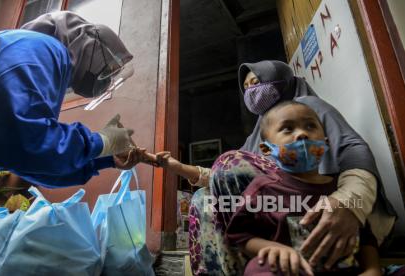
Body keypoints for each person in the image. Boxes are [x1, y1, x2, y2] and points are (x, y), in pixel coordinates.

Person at [0, 11, 150, 275]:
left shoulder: (40, 62)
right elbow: (26, 138)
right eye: (107, 69)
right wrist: (100, 142)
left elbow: (29, 161)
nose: (106, 79)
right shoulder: (41, 47)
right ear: (88, 44)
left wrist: (105, 157)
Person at [156, 60, 396, 275]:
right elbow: (226, 176)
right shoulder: (260, 134)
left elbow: (353, 150)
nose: (251, 91)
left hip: (328, 211)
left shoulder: (308, 107)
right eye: (247, 87)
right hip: (276, 230)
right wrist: (176, 166)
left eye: (257, 81)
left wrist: (348, 202)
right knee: (203, 199)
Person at [225, 101, 381, 276]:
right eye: (288, 128)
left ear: (326, 142)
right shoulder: (262, 190)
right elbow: (240, 235)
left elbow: (365, 235)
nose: (302, 134)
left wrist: (372, 269)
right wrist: (274, 249)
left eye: (310, 125)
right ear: (265, 149)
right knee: (259, 267)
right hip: (293, 270)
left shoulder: (341, 190)